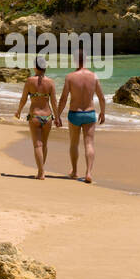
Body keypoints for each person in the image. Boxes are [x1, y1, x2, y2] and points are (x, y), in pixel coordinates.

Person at [55, 41, 106, 184]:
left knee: (74, 143)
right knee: (89, 144)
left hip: (74, 114)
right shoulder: (94, 76)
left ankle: (75, 171)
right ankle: (88, 173)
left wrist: (58, 115)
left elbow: (64, 98)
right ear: (87, 60)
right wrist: (103, 112)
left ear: (75, 60)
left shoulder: (70, 77)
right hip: (89, 114)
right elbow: (101, 97)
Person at [14, 55, 58, 179]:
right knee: (44, 144)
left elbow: (23, 99)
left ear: (35, 66)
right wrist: (58, 117)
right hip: (48, 116)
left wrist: (18, 111)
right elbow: (54, 102)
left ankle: (41, 172)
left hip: (35, 116)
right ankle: (41, 170)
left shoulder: (29, 81)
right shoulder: (50, 82)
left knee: (37, 145)